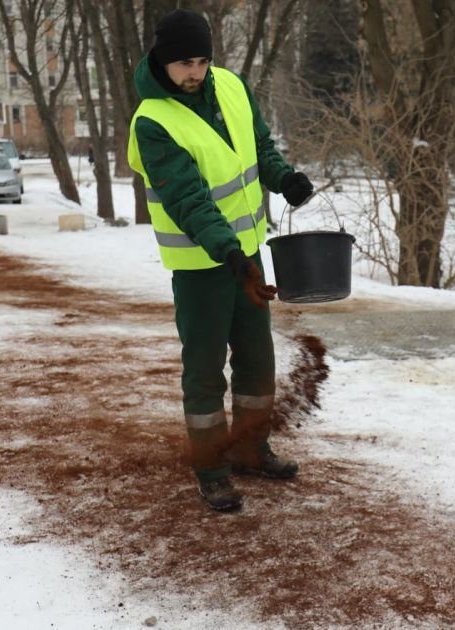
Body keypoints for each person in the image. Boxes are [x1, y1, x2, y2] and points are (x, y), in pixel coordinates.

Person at [127, 9, 315, 512]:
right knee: (206, 369)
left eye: (203, 60)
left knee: (257, 358)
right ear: (164, 62)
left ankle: (252, 450)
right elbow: (187, 198)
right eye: (185, 62)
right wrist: (227, 250)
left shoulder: (230, 86)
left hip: (246, 253)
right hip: (201, 265)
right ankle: (211, 468)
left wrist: (285, 179)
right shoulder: (153, 121)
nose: (196, 72)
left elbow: (258, 148)